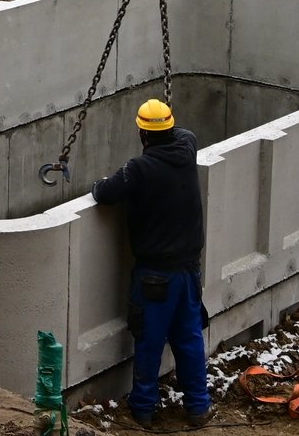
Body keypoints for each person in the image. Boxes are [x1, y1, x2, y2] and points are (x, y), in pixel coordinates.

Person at [92, 100, 212, 430]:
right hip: (189, 270)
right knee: (189, 338)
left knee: (150, 341)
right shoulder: (187, 148)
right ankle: (198, 407)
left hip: (156, 276)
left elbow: (104, 193)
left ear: (142, 133)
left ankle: (143, 410)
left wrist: (98, 183)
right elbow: (184, 132)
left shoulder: (139, 169)